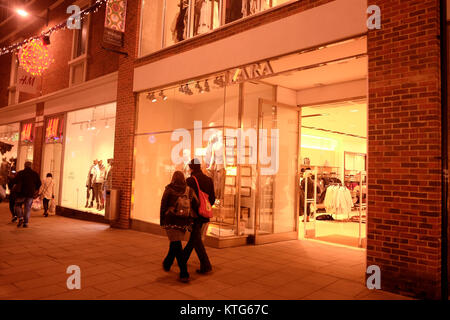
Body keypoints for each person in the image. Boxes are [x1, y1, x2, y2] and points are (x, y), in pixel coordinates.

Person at [160, 171, 198, 282]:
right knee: (175, 243)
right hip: (183, 221)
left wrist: (162, 220)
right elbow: (197, 203)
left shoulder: (169, 189)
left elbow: (163, 205)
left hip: (171, 220)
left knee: (176, 245)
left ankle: (184, 272)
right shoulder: (189, 190)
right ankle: (167, 263)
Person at [183, 158, 215, 274]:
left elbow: (186, 199)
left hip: (194, 215)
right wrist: (204, 207)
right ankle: (182, 258)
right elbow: (212, 198)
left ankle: (206, 265)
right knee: (194, 238)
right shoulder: (209, 180)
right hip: (204, 215)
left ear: (191, 168)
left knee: (196, 240)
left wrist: (195, 209)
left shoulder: (190, 180)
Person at [14, 161, 41, 228]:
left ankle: (20, 218)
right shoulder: (35, 174)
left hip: (21, 193)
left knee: (17, 205)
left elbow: (14, 181)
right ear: (31, 166)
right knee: (27, 208)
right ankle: (25, 223)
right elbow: (39, 183)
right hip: (30, 193)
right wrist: (35, 189)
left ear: (24, 166)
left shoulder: (20, 173)